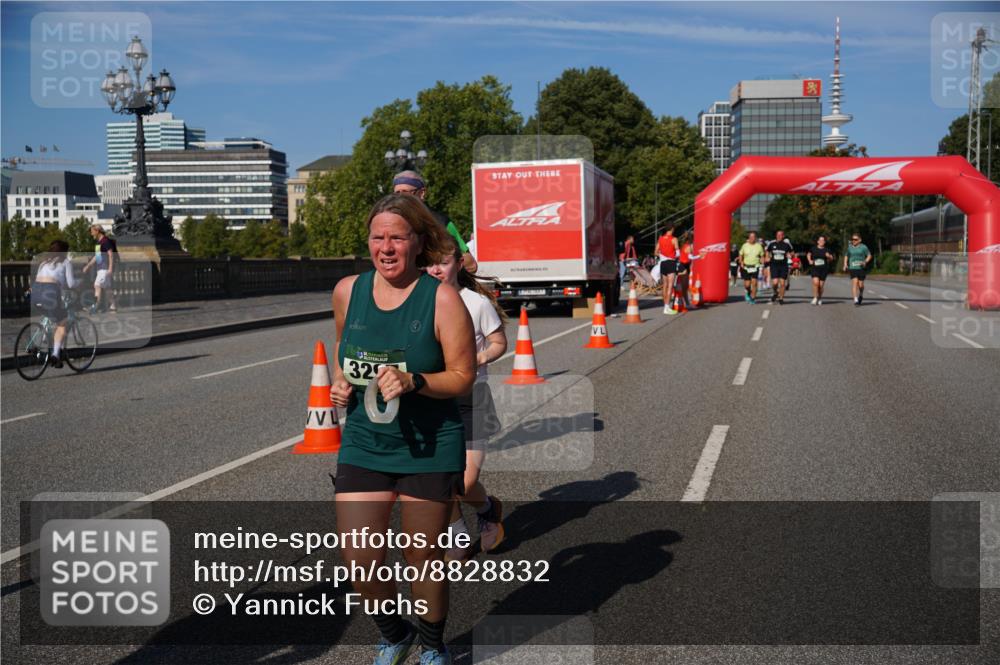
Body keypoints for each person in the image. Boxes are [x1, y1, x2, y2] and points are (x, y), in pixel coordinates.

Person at [329, 193, 477, 665]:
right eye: (378, 237)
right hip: (364, 440)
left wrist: (415, 380)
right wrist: (342, 381)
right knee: (359, 558)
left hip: (429, 445)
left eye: (397, 237)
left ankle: (433, 647)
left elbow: (461, 376)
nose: (386, 247)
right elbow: (344, 349)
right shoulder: (348, 291)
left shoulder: (443, 299)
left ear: (418, 243)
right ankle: (395, 634)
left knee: (421, 558)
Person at [426, 240, 507, 561]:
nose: (435, 269)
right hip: (431, 399)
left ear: (459, 264)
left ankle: (487, 510)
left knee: (464, 479)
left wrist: (478, 358)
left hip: (472, 398)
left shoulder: (476, 304)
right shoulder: (419, 303)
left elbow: (499, 342)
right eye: (429, 263)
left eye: (442, 262)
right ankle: (457, 534)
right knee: (436, 477)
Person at [393, 170, 478, 275]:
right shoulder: (389, 222)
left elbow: (471, 264)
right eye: (397, 193)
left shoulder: (440, 222)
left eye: (405, 192)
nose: (400, 198)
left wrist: (436, 263)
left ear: (422, 193)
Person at [31, 239, 78, 368]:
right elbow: (71, 283)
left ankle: (36, 342)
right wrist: (81, 285)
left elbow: (38, 280)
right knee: (62, 322)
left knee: (48, 314)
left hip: (36, 292)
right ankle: (56, 355)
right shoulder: (65, 262)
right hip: (50, 292)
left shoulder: (44, 263)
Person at [82, 224, 118, 313]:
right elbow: (97, 257)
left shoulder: (105, 241)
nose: (91, 234)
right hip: (100, 268)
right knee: (107, 288)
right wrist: (88, 266)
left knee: (97, 285)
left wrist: (110, 268)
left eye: (92, 232)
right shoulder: (98, 243)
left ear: (97, 231)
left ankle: (95, 306)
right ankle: (113, 305)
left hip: (105, 269)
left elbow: (111, 254)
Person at [765, 230, 795, 305]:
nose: (779, 236)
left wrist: (790, 255)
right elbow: (767, 251)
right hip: (774, 265)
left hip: (783, 266)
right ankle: (775, 292)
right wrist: (767, 257)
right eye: (777, 235)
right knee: (775, 283)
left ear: (783, 236)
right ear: (776, 235)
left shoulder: (786, 244)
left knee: (782, 283)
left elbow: (792, 252)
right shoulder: (772, 244)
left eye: (780, 235)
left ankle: (781, 298)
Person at [843, 233, 873, 306]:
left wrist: (865, 261)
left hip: (861, 268)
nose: (854, 241)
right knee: (855, 282)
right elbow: (846, 255)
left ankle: (861, 294)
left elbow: (869, 255)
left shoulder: (863, 247)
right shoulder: (850, 247)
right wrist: (845, 264)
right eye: (852, 239)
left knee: (861, 285)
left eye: (855, 239)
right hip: (853, 268)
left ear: (860, 240)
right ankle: (855, 300)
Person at [738, 231, 765, 304]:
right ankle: (748, 292)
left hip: (755, 266)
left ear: (755, 238)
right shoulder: (744, 245)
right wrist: (741, 262)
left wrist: (762, 263)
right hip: (746, 267)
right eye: (751, 237)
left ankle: (753, 298)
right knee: (747, 285)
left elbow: (762, 256)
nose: (752, 238)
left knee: (754, 283)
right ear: (749, 238)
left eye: (753, 237)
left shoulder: (759, 246)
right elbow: (741, 254)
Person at [658, 226, 680, 314]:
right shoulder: (674, 239)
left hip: (663, 263)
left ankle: (665, 305)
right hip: (671, 262)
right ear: (672, 229)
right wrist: (673, 256)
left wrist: (662, 256)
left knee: (665, 285)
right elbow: (678, 253)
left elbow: (656, 251)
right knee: (670, 285)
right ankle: (667, 308)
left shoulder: (660, 239)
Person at [807, 235, 834, 305]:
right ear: (818, 241)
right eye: (820, 240)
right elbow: (808, 254)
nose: (821, 242)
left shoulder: (827, 250)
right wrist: (810, 260)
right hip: (815, 268)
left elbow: (832, 258)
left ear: (824, 242)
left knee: (820, 286)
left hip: (823, 269)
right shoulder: (813, 248)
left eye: (823, 240)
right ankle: (815, 298)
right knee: (816, 283)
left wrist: (829, 256)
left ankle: (819, 298)